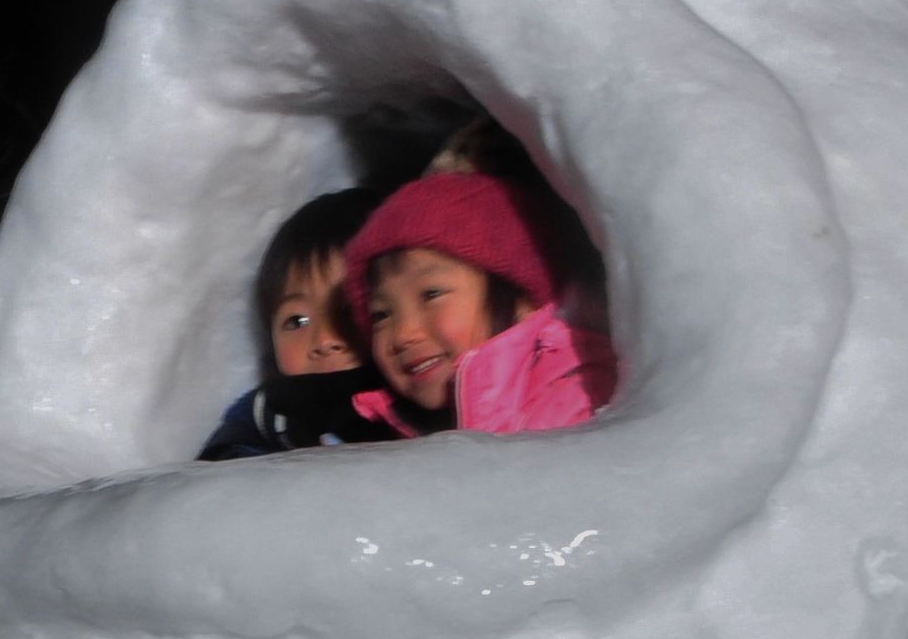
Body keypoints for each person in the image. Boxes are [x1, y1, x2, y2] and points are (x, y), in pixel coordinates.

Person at [343, 167, 616, 438]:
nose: (402, 334)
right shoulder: (404, 430)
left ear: (521, 299)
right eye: (381, 315)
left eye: (431, 294)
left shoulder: (578, 401)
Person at [196, 187, 404, 460]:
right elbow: (217, 476)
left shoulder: (413, 392)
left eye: (349, 311)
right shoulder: (271, 411)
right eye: (297, 321)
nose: (324, 340)